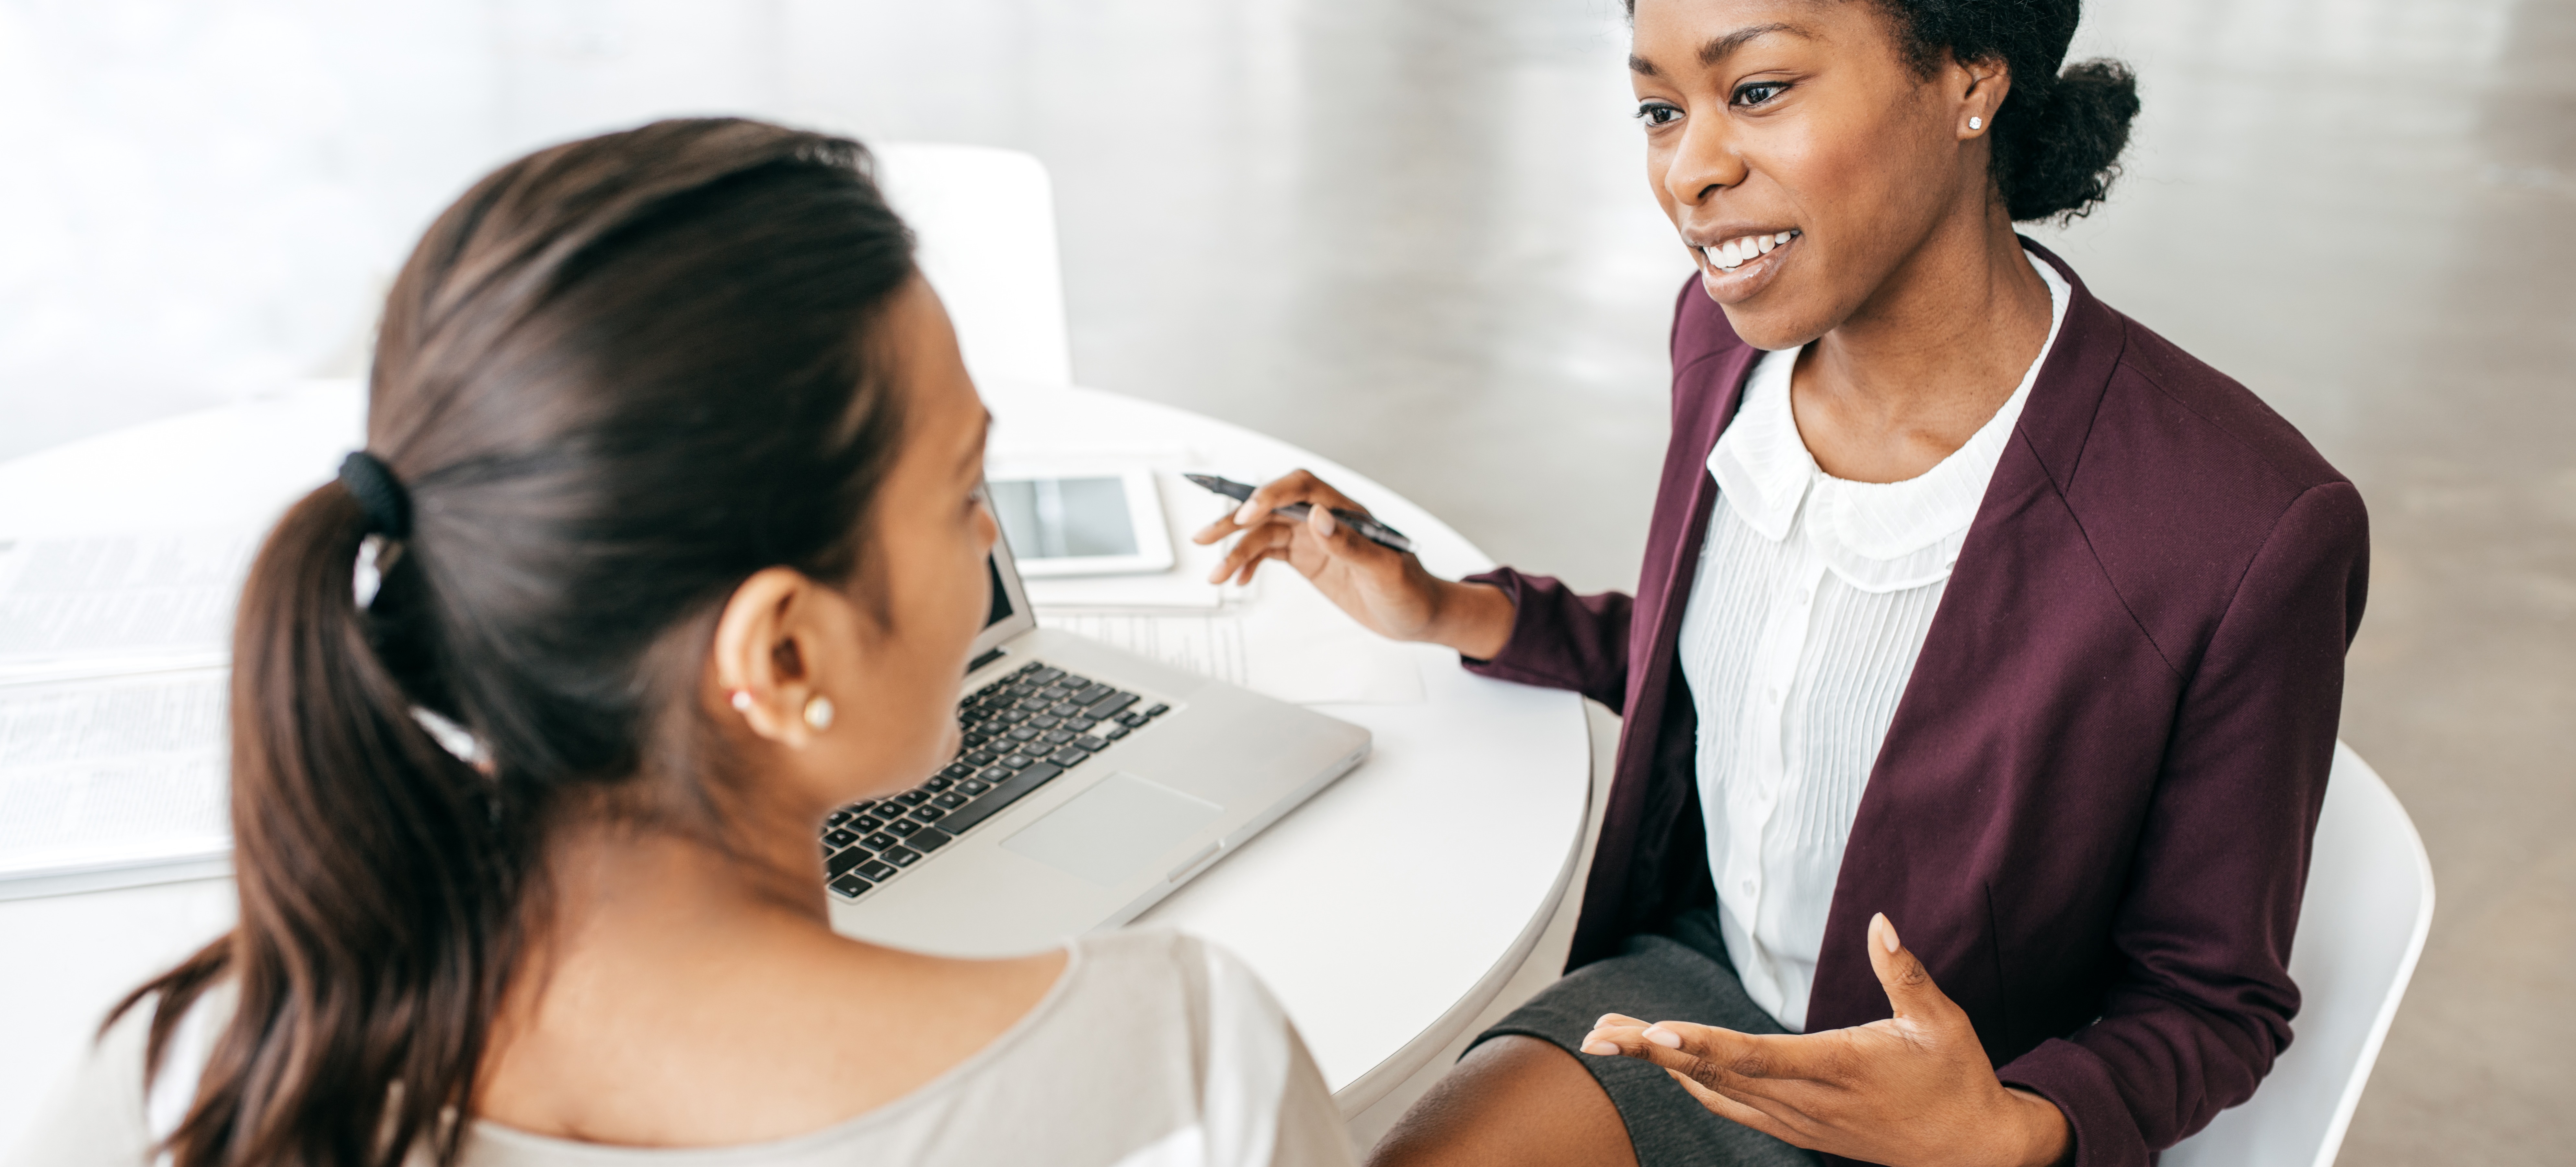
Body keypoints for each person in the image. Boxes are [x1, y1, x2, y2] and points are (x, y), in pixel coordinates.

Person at [10, 119, 1352, 1167]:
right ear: (780, 658)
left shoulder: (182, 1087)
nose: (990, 544)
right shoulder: (1179, 1072)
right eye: (959, 494)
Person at [1193, 2, 2366, 1166]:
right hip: (1698, 998)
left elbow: (2212, 1000)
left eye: (1756, 90)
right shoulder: (1724, 348)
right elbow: (1741, 667)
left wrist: (2008, 1127)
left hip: (1964, 1108)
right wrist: (1449, 607)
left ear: (1970, 77)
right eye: (1660, 107)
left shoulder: (2242, 522)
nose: (1690, 170)